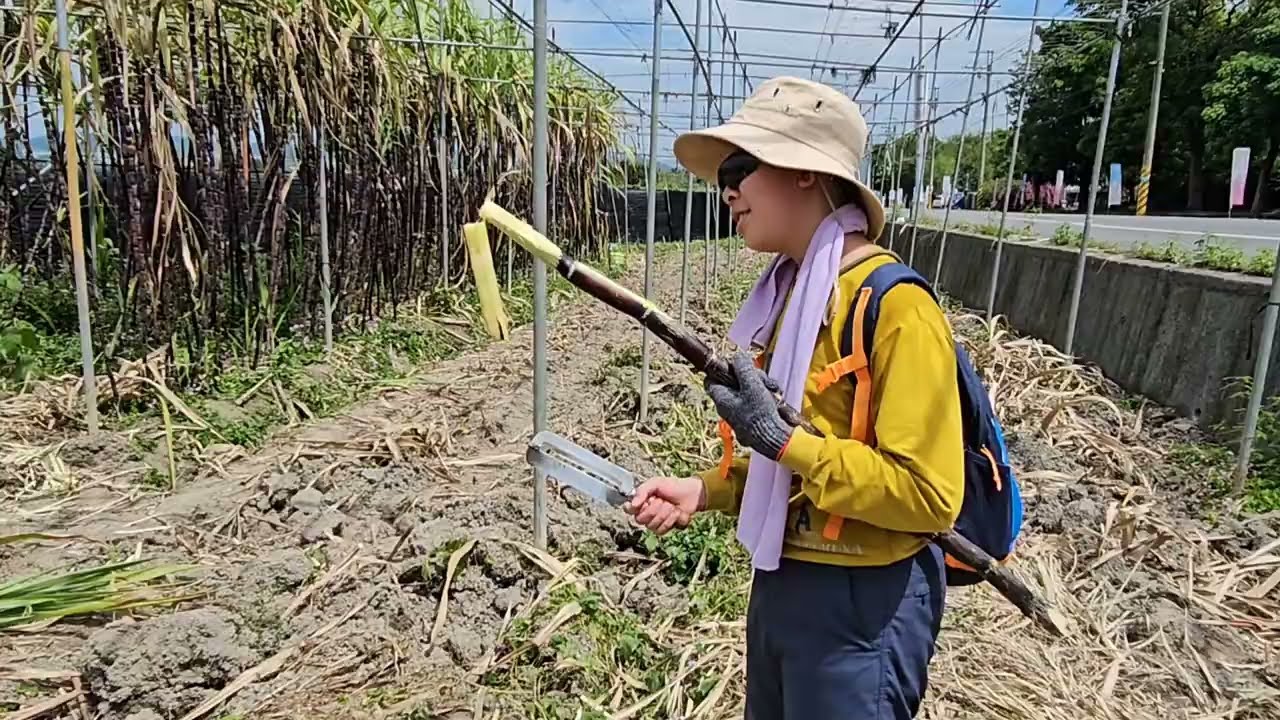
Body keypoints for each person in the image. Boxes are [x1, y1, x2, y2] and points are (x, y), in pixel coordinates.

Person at [623, 76, 965, 719]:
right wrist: (707, 490)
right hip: (784, 581)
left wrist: (784, 441)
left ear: (806, 172)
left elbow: (929, 495)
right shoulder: (793, 297)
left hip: (861, 603)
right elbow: (795, 455)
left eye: (742, 167)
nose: (727, 189)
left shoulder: (896, 308)